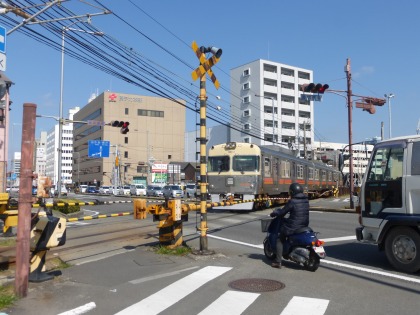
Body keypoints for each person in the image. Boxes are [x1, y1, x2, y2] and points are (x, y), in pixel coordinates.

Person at [269, 182, 309, 268]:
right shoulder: (306, 200)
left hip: (294, 226)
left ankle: (278, 261)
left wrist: (275, 212)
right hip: (304, 225)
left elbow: (282, 212)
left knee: (279, 239)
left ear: (292, 192)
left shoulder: (292, 201)